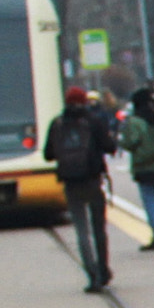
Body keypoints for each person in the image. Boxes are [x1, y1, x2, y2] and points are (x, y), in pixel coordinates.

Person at [45, 84, 117, 290]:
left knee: (82, 230)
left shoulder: (57, 124)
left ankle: (92, 274)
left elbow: (48, 154)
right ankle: (103, 269)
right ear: (85, 101)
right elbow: (109, 147)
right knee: (98, 229)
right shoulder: (94, 121)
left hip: (71, 182)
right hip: (93, 180)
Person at [120, 87, 154, 248]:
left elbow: (130, 142)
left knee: (149, 199)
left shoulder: (135, 121)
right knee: (153, 198)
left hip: (143, 165)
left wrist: (122, 142)